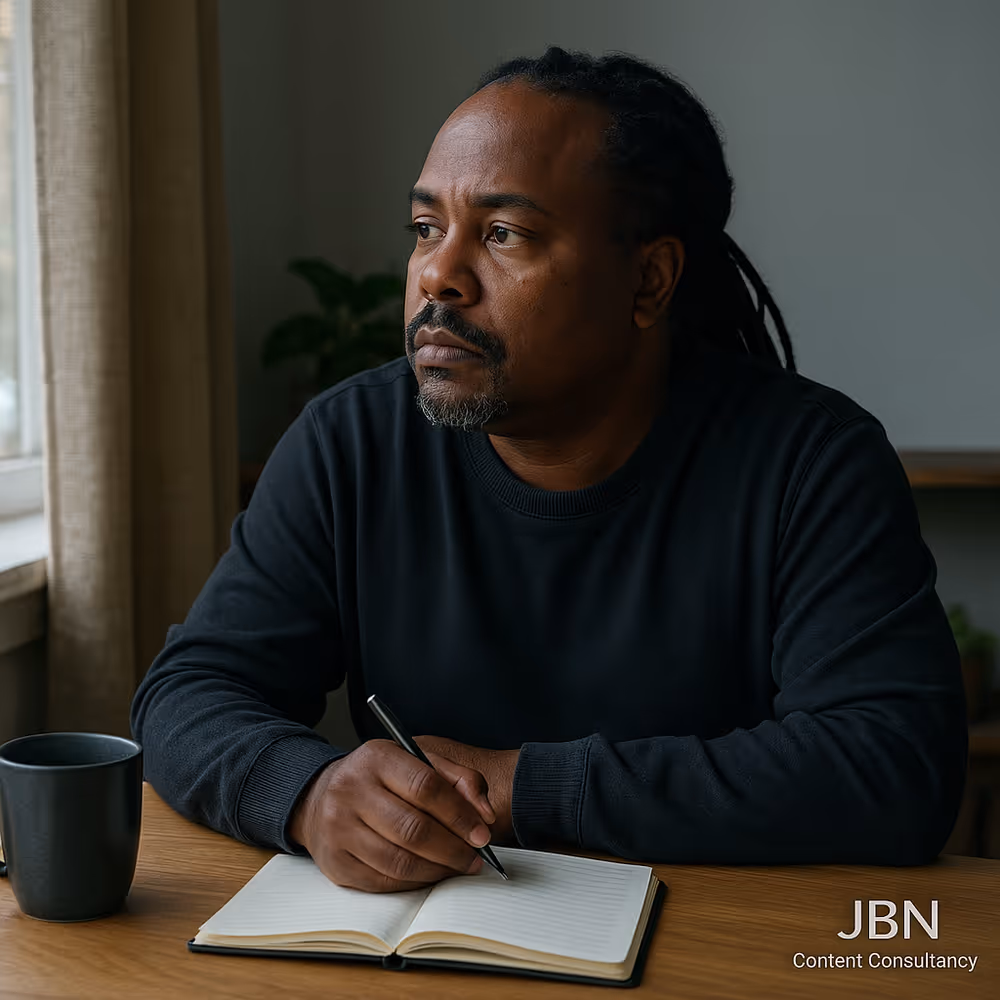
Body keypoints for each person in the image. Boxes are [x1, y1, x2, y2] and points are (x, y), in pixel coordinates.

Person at [131, 47, 967, 893]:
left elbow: (893, 764)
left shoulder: (811, 462)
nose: (438, 275)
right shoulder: (350, 442)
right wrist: (308, 791)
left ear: (649, 280)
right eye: (426, 228)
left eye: (503, 234)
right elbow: (189, 694)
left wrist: (521, 787)